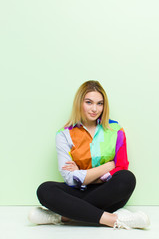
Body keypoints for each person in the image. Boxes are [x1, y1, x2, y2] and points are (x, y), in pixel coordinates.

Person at [28, 80, 150, 230]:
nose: (95, 109)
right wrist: (107, 166)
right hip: (77, 192)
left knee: (127, 178)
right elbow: (70, 179)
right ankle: (113, 219)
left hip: (107, 192)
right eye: (89, 102)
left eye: (100, 103)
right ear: (79, 103)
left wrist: (81, 174)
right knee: (45, 190)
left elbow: (120, 168)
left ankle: (64, 216)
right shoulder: (64, 134)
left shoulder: (116, 130)